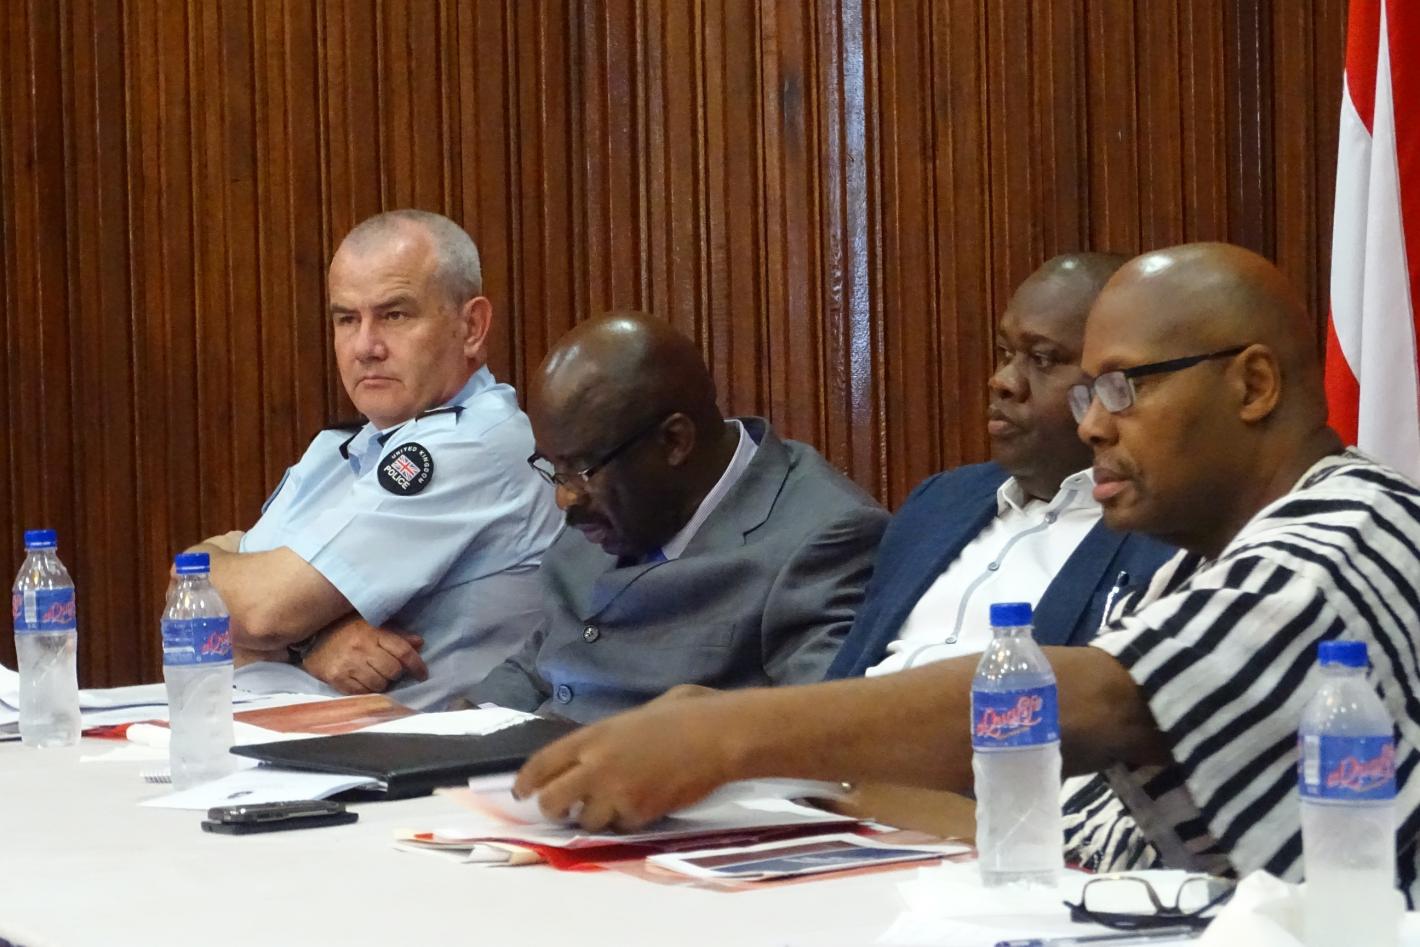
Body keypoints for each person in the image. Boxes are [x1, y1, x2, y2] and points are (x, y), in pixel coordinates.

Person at [513, 243, 1420, 899]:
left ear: (1253, 385)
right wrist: (797, 788)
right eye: (1087, 392)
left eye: (1123, 387)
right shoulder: (1191, 569)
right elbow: (1074, 831)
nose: (1093, 424)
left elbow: (1100, 699)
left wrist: (728, 735)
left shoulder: (1348, 536)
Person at [186, 210, 561, 710]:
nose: (366, 347)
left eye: (394, 315)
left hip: (407, 749)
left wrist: (279, 629)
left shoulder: (471, 447)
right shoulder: (341, 448)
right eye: (347, 319)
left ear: (471, 327)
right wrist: (311, 643)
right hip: (276, 729)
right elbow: (189, 607)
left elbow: (258, 613)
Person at [459, 312, 889, 723]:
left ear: (674, 442)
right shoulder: (609, 511)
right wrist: (449, 733)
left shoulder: (826, 537)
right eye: (556, 470)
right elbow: (539, 663)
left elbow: (820, 732)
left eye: (580, 471)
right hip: (521, 766)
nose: (565, 497)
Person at [828, 253, 1172, 680]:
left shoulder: (1161, 531)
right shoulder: (939, 502)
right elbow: (845, 674)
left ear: (1119, 380)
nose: (1003, 380)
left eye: (1042, 358)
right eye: (1005, 353)